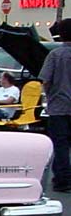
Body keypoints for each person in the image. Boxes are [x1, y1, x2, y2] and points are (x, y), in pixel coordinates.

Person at [41, 18, 71, 192]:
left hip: (59, 106)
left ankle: (63, 179)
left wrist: (50, 94)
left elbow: (46, 80)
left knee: (60, 144)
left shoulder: (55, 55)